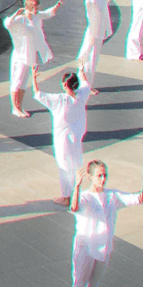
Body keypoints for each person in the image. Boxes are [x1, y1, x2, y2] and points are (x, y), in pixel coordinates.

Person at [68, 160, 143, 287]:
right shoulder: (85, 197)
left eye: (105, 175)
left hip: (104, 248)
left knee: (93, 284)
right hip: (85, 247)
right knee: (79, 283)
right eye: (99, 175)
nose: (103, 179)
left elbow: (138, 199)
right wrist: (76, 187)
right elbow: (74, 207)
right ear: (90, 176)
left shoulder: (112, 195)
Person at [31, 65, 90, 205]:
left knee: (64, 166)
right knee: (76, 164)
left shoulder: (59, 99)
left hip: (62, 139)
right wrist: (81, 71)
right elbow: (86, 83)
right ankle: (76, 191)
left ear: (64, 84)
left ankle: (66, 197)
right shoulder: (82, 95)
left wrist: (33, 78)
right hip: (77, 137)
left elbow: (38, 93)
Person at [4, 0, 61, 118]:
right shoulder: (20, 19)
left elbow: (47, 13)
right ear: (30, 7)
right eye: (35, 7)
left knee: (23, 83)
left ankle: (20, 106)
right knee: (17, 81)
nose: (37, 9)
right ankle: (15, 108)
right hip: (20, 56)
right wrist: (16, 13)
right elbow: (7, 24)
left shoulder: (36, 16)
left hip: (30, 54)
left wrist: (56, 6)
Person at [77, 0, 117, 93]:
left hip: (100, 31)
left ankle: (88, 84)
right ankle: (85, 84)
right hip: (93, 33)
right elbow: (88, 1)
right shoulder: (91, 0)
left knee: (94, 59)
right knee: (89, 57)